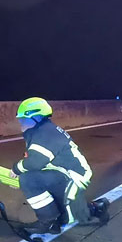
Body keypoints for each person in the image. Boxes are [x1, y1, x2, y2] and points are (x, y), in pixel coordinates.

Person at [9, 97, 93, 234]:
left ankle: (48, 222)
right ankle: (61, 218)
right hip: (66, 173)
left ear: (36, 117)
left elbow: (36, 162)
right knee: (65, 214)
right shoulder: (44, 130)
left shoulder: (45, 132)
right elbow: (36, 161)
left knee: (28, 179)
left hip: (73, 176)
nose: (20, 122)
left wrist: (16, 170)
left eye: (24, 118)